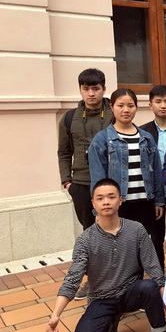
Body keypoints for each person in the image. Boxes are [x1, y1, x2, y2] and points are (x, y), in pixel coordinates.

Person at [46, 178, 166, 332]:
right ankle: (111, 324)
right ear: (93, 203)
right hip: (102, 299)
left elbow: (153, 267)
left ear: (120, 200)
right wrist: (55, 315)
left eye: (111, 197)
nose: (106, 202)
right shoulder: (85, 241)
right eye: (100, 198)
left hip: (131, 292)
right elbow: (72, 279)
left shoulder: (136, 230)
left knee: (149, 286)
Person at [88, 89, 166, 269]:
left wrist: (159, 201)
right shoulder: (102, 139)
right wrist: (99, 209)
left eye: (130, 105)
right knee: (118, 249)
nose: (126, 110)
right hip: (119, 205)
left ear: (136, 108)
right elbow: (98, 178)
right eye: (120, 105)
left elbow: (156, 171)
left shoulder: (146, 138)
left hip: (144, 203)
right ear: (112, 107)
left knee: (140, 247)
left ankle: (141, 283)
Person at [57, 68, 113, 300]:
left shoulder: (114, 113)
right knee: (90, 234)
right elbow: (63, 152)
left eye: (95, 88)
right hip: (80, 183)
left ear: (104, 89)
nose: (91, 93)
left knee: (115, 231)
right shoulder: (69, 118)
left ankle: (118, 279)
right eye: (86, 89)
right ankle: (93, 280)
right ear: (80, 90)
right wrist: (67, 182)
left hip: (110, 184)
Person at [140, 85, 166, 239]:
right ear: (150, 105)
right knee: (156, 237)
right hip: (154, 191)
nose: (163, 106)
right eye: (158, 101)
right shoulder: (143, 132)